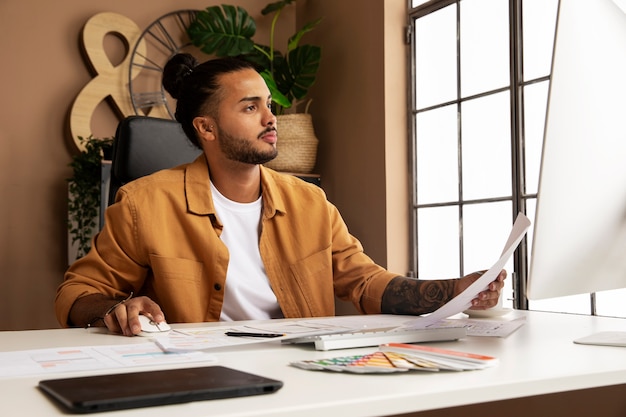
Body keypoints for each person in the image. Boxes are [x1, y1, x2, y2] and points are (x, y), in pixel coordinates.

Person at [55, 54, 506, 336]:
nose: (271, 118)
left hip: (301, 372)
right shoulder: (144, 203)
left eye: (269, 104)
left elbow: (365, 283)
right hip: (200, 376)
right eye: (250, 107)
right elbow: (78, 292)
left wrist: (455, 290)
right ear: (206, 128)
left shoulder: (309, 201)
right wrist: (118, 307)